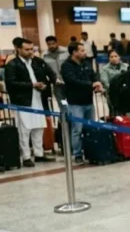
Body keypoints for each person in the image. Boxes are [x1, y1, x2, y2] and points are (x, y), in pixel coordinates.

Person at [5, 39, 57, 167]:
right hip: (23, 102)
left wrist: (43, 85)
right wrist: (32, 85)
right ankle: (26, 156)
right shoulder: (12, 65)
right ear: (18, 49)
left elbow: (44, 76)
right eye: (27, 50)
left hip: (38, 99)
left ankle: (39, 154)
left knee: (39, 127)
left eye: (31, 49)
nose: (30, 52)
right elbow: (11, 84)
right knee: (24, 130)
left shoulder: (36, 62)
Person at [61, 42, 103, 164]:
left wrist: (97, 84)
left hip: (88, 101)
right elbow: (72, 81)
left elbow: (94, 76)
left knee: (91, 128)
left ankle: (91, 152)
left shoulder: (86, 64)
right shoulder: (66, 66)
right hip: (75, 103)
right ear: (74, 52)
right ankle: (77, 153)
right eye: (82, 50)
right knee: (77, 129)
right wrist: (91, 84)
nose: (85, 53)